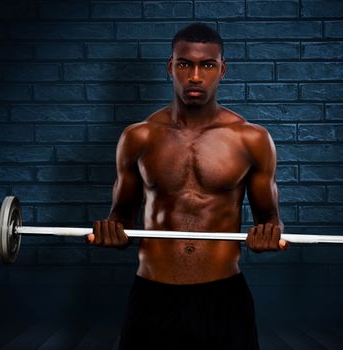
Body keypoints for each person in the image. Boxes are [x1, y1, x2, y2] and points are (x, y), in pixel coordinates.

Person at [85, 22, 288, 350]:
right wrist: (112, 230)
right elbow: (121, 216)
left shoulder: (252, 139)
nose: (195, 76)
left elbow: (271, 219)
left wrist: (268, 235)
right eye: (185, 64)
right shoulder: (139, 137)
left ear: (222, 69)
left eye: (207, 64)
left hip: (223, 297)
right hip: (152, 296)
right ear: (170, 67)